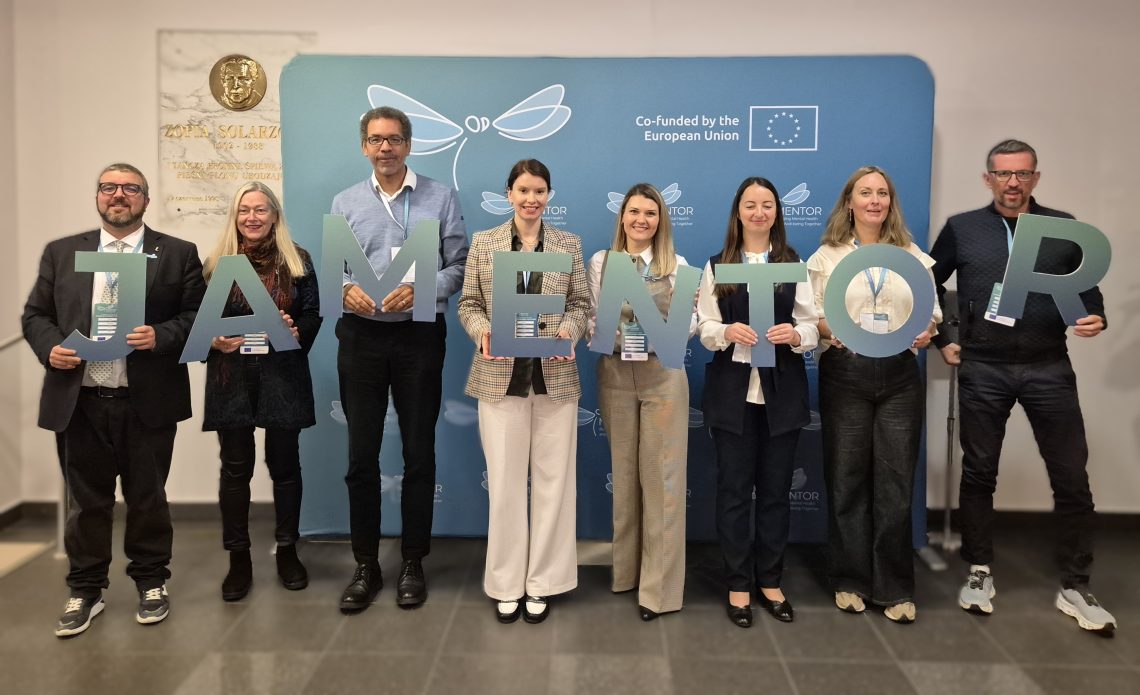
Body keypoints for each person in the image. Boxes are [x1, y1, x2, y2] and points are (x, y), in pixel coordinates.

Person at [930, 139, 1115, 632]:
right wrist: (945, 338)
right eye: (1004, 173)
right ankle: (979, 570)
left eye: (1023, 174)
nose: (1013, 182)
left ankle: (1076, 585)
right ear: (987, 177)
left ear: (1036, 177)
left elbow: (1087, 290)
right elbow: (928, 285)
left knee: (1072, 478)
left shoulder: (1062, 228)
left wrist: (1096, 317)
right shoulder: (962, 229)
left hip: (1049, 365)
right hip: (984, 368)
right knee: (979, 473)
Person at [22, 163, 205, 637]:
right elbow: (35, 315)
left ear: (146, 199)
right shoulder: (62, 252)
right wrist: (50, 348)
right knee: (87, 503)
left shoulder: (177, 253)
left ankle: (151, 582)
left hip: (146, 400)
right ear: (97, 197)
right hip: (79, 401)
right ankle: (86, 589)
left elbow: (195, 315)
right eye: (108, 187)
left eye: (129, 188)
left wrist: (159, 335)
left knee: (148, 498)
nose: (118, 195)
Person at [331, 106, 469, 612]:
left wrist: (424, 289)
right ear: (364, 147)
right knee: (360, 458)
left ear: (409, 145)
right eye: (375, 140)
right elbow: (334, 269)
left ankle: (413, 562)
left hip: (418, 338)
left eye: (393, 139)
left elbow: (461, 263)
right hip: (362, 339)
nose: (384, 148)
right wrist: (347, 291)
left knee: (419, 454)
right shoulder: (345, 202)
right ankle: (365, 565)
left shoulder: (440, 197)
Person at [806, 165, 940, 624]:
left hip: (900, 375)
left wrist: (927, 332)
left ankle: (895, 587)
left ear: (890, 202)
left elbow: (932, 315)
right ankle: (848, 579)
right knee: (846, 479)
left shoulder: (912, 255)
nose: (874, 200)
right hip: (846, 372)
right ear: (850, 202)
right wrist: (831, 329)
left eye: (882, 192)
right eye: (865, 192)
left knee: (896, 482)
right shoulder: (827, 256)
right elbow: (813, 316)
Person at [457, 159, 589, 624]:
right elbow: (468, 302)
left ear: (549, 195)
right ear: (508, 193)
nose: (531, 199)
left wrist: (568, 333)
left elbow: (581, 305)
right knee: (507, 485)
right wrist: (483, 332)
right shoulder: (485, 243)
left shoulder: (568, 245)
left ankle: (544, 582)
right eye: (523, 190)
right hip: (500, 379)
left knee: (554, 484)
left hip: (554, 379)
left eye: (539, 191)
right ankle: (507, 582)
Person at [697, 177, 818, 628]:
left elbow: (810, 327)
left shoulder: (792, 263)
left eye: (767, 204)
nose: (759, 212)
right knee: (732, 495)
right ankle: (737, 584)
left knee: (775, 494)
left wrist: (796, 335)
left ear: (776, 213)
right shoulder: (718, 264)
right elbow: (706, 325)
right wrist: (726, 332)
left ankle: (770, 580)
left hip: (781, 395)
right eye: (751, 204)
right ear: (738, 211)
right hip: (733, 394)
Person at [201, 182, 322, 601]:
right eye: (243, 210)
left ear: (274, 215)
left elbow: (312, 316)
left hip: (281, 377)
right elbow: (199, 323)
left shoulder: (298, 260)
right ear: (235, 217)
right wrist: (214, 339)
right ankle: (239, 559)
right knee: (235, 470)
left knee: (285, 468)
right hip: (230, 379)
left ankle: (288, 550)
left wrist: (295, 332)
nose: (252, 217)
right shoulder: (216, 264)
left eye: (260, 210)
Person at [587, 183, 695, 621]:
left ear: (660, 220)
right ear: (622, 218)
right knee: (626, 479)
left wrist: (654, 337)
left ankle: (660, 592)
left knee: (664, 484)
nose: (641, 220)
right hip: (614, 374)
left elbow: (688, 323)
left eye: (650, 213)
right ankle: (626, 575)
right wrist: (619, 337)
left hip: (662, 377)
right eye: (634, 212)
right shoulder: (602, 262)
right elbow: (595, 315)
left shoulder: (678, 265)